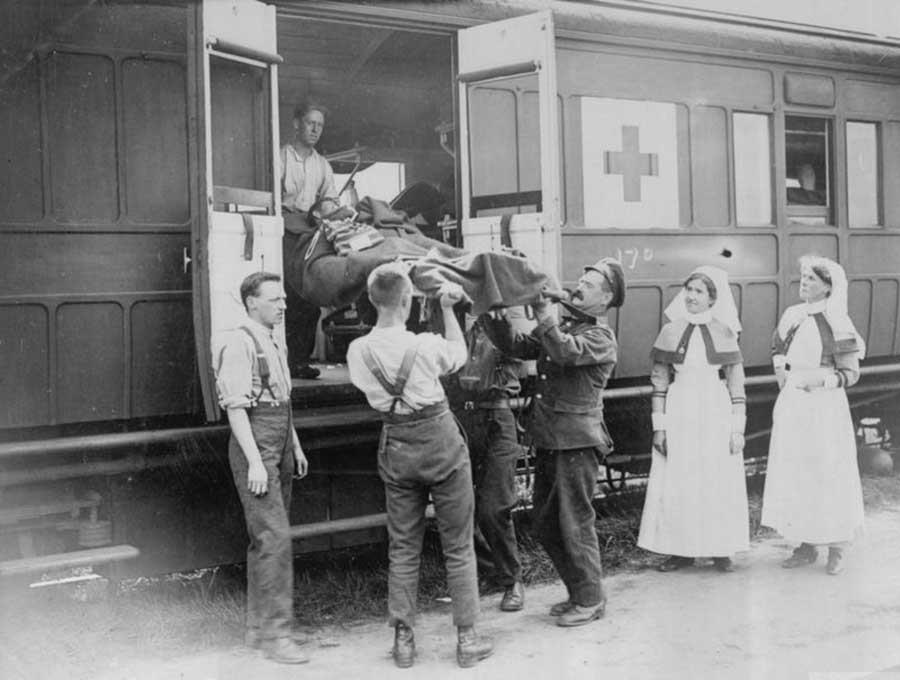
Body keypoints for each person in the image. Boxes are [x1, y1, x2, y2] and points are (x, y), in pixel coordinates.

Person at [346, 262, 493, 669]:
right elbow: (458, 356)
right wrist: (447, 310)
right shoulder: (427, 345)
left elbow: (367, 389)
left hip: (397, 445)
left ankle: (404, 640)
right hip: (440, 440)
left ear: (374, 300)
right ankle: (467, 638)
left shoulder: (358, 351)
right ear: (408, 300)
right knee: (458, 545)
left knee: (404, 547)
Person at [484, 258, 625, 627]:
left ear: (606, 298)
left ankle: (591, 599)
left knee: (573, 521)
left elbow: (563, 351)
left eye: (589, 284)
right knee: (547, 523)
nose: (579, 284)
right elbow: (517, 346)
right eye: (581, 277)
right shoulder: (564, 325)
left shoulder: (600, 337)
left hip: (576, 443)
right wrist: (489, 310)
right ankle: (579, 593)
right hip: (552, 438)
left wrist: (545, 313)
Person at [214, 271, 310, 664]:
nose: (283, 306)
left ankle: (258, 629)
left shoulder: (272, 338)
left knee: (265, 538)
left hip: (280, 437)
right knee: (274, 537)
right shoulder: (238, 341)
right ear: (252, 302)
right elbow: (236, 408)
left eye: (284, 299)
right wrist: (256, 460)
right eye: (275, 299)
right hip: (257, 443)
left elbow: (282, 400)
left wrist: (296, 445)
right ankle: (277, 636)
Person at [637, 266, 749, 573]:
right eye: (688, 290)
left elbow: (737, 385)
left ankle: (721, 549)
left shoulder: (725, 332)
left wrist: (737, 429)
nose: (691, 296)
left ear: (713, 298)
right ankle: (680, 551)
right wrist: (659, 427)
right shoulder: (670, 331)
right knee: (680, 479)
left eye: (699, 291)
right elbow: (659, 381)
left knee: (716, 478)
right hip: (680, 408)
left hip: (715, 409)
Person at [761, 256, 866, 575]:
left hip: (825, 408)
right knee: (798, 471)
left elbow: (851, 372)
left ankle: (837, 546)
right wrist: (782, 372)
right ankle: (805, 544)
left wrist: (823, 380)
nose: (804, 283)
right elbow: (777, 348)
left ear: (828, 287)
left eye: (812, 279)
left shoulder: (839, 321)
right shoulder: (793, 315)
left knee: (827, 470)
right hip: (794, 404)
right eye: (803, 277)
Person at [453, 312, 526, 612]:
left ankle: (512, 580)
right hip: (460, 418)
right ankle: (491, 571)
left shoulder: (502, 321)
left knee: (494, 506)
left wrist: (497, 318)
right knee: (459, 506)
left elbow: (516, 347)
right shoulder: (448, 318)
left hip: (496, 417)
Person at [280, 101, 339, 380]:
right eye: (310, 123)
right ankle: (285, 363)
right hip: (284, 232)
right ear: (296, 124)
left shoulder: (322, 165)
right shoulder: (281, 157)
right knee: (288, 297)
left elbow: (330, 199)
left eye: (320, 125)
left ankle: (300, 362)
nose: (315, 129)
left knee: (310, 298)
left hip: (310, 233)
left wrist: (325, 209)